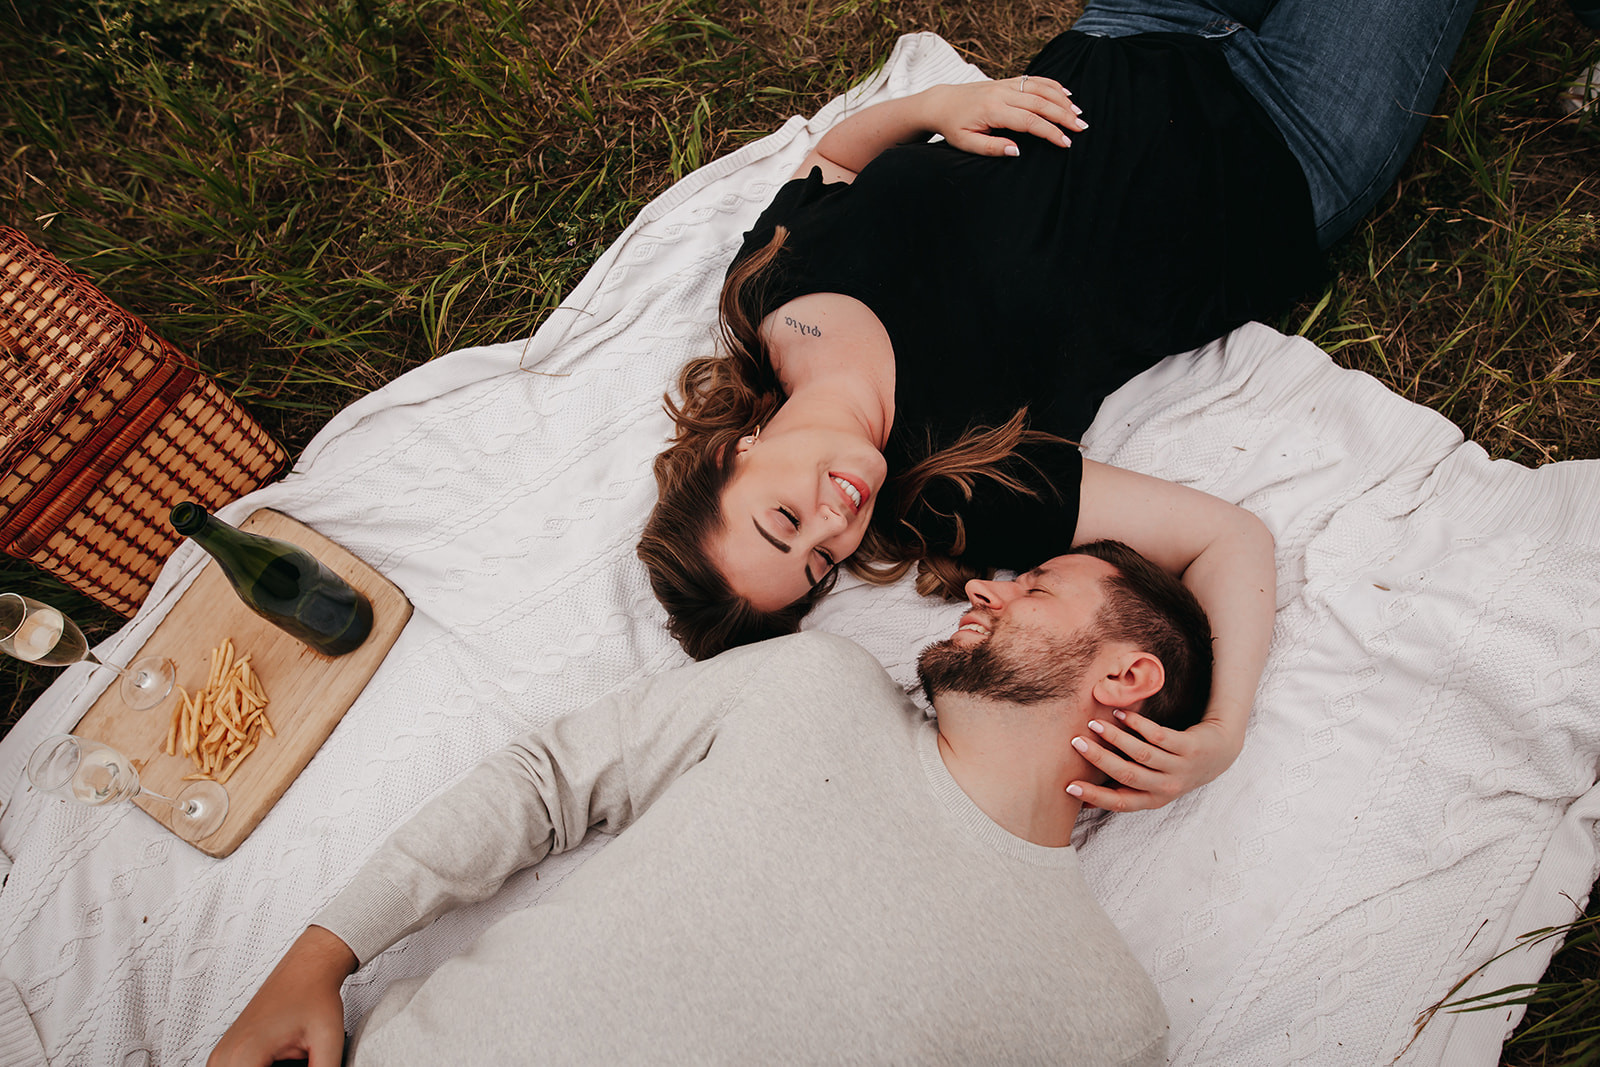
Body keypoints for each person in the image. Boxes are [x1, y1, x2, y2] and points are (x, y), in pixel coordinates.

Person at [637, 0, 1484, 811]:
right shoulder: (963, 487)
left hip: (1138, 23)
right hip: (1284, 139)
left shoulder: (768, 298)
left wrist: (936, 105)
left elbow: (833, 163)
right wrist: (1222, 730)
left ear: (729, 456)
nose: (836, 524)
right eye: (823, 563)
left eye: (786, 519)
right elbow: (1227, 538)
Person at [208, 540, 1210, 1066]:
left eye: (1034, 587)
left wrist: (1215, 733)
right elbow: (546, 781)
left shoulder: (1104, 1019)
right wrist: (316, 955)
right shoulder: (814, 681)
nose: (983, 588)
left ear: (1125, 676)